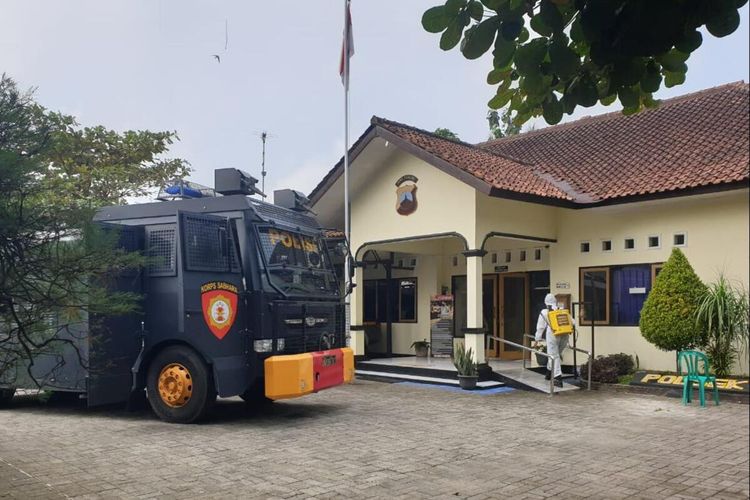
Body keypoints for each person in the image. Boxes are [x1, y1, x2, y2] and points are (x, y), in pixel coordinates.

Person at [535, 293, 570, 387]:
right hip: (565, 334)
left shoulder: (544, 312)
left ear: (545, 303)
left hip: (553, 335)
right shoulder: (562, 310)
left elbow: (540, 327)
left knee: (554, 356)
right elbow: (572, 322)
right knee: (556, 355)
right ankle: (549, 372)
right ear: (555, 301)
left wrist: (537, 339)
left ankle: (558, 378)